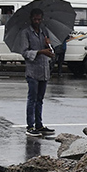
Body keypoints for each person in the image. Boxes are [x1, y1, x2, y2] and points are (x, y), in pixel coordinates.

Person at [22, 8, 56, 136]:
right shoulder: (26, 33)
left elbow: (51, 53)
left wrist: (48, 46)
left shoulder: (44, 32)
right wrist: (40, 52)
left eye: (39, 19)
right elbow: (25, 52)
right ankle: (30, 126)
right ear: (31, 19)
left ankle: (39, 125)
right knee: (32, 99)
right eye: (35, 19)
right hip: (32, 71)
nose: (37, 21)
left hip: (44, 70)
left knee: (40, 99)